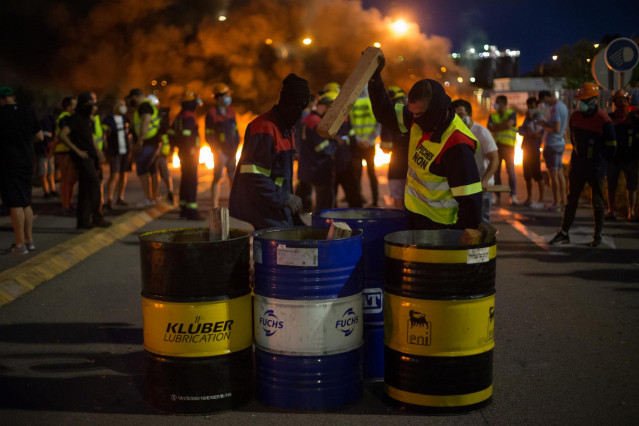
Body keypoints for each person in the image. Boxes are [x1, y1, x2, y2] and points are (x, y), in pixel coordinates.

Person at [368, 55, 482, 230]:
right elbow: (385, 112)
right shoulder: (419, 117)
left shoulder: (456, 143)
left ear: (435, 109)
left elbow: (470, 197)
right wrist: (375, 78)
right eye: (412, 113)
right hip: (415, 216)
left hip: (441, 226)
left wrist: (464, 233)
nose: (413, 119)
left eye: (418, 114)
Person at [229, 73, 309, 230]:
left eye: (302, 108)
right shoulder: (264, 128)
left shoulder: (286, 127)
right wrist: (285, 198)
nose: (299, 112)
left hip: (274, 204)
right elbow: (253, 175)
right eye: (296, 107)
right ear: (286, 103)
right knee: (276, 249)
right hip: (260, 207)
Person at [549, 82, 616, 247]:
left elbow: (612, 148)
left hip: (596, 167)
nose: (581, 103)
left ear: (594, 100)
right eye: (580, 100)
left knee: (598, 202)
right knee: (571, 200)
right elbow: (574, 140)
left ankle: (598, 235)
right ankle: (564, 233)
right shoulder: (576, 117)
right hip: (578, 166)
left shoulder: (604, 120)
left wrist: (599, 161)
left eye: (585, 100)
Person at [58, 92, 112, 229]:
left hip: (91, 156)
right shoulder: (75, 118)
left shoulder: (88, 119)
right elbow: (62, 135)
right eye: (91, 104)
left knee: (85, 189)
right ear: (84, 104)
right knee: (94, 185)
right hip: (83, 158)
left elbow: (91, 138)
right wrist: (77, 151)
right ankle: (97, 218)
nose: (94, 106)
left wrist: (99, 153)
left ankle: (83, 221)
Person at [0, 86, 43, 254]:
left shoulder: (1, 113)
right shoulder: (28, 110)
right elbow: (40, 136)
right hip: (27, 160)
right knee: (26, 202)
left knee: (15, 203)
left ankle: (19, 245)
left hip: (9, 163)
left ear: (2, 99)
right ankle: (29, 240)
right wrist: (25, 140)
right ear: (13, 97)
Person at [452, 99, 499, 222]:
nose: (458, 118)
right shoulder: (453, 133)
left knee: (482, 222)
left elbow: (494, 159)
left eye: (461, 115)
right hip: (461, 187)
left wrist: (484, 180)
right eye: (455, 115)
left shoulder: (482, 132)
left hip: (481, 187)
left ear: (470, 115)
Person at [298, 90, 341, 211]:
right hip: (320, 169)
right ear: (325, 107)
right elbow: (324, 148)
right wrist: (336, 142)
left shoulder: (307, 119)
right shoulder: (318, 122)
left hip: (307, 167)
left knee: (308, 205)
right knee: (324, 206)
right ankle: (322, 227)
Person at [205, 83, 241, 207]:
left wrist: (237, 145)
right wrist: (217, 150)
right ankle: (214, 205)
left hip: (232, 150)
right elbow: (208, 135)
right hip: (220, 151)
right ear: (219, 97)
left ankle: (234, 203)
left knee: (232, 178)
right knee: (217, 177)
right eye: (226, 95)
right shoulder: (212, 113)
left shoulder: (231, 111)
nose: (228, 97)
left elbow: (236, 131)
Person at [606, 90, 639, 221]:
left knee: (632, 186)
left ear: (628, 103)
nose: (621, 104)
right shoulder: (609, 119)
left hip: (630, 159)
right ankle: (611, 211)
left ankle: (631, 212)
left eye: (623, 101)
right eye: (618, 102)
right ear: (614, 104)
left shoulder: (634, 120)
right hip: (613, 159)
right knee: (611, 185)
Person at [169, 92, 202, 220]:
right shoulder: (189, 116)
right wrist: (191, 149)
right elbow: (187, 135)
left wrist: (177, 146)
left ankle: (183, 208)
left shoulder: (179, 116)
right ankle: (191, 211)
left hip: (183, 152)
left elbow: (172, 133)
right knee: (191, 180)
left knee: (185, 179)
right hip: (190, 153)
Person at [538, 89, 569, 212]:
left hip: (553, 144)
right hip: (559, 143)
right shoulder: (562, 106)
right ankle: (563, 201)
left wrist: (543, 124)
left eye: (543, 101)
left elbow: (556, 128)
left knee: (554, 175)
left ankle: (556, 203)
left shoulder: (556, 109)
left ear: (547, 97)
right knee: (560, 174)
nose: (544, 104)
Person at [130, 89, 161, 207]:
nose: (131, 101)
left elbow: (145, 124)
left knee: (142, 170)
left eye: (132, 98)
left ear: (137, 97)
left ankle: (148, 198)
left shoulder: (144, 106)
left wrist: (139, 141)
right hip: (153, 142)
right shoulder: (148, 105)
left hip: (147, 143)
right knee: (152, 170)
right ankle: (154, 196)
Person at [380, 85, 410, 209]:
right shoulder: (414, 116)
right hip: (413, 166)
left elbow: (386, 147)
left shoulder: (389, 119)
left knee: (398, 198)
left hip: (397, 166)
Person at [349, 87, 380, 207]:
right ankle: (375, 201)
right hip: (370, 145)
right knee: (372, 173)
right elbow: (378, 124)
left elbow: (351, 125)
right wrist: (369, 140)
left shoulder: (353, 104)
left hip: (357, 145)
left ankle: (358, 201)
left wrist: (357, 140)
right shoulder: (372, 103)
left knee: (357, 174)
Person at [487, 95, 518, 205]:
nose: (496, 105)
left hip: (508, 147)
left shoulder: (511, 113)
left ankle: (513, 196)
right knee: (496, 172)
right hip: (496, 147)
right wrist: (503, 126)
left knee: (511, 171)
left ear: (503, 103)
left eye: (498, 102)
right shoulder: (493, 115)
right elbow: (490, 127)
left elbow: (508, 125)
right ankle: (497, 196)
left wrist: (497, 127)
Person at [102, 98, 131, 209]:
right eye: (121, 104)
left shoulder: (125, 118)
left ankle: (120, 198)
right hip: (114, 151)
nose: (123, 106)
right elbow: (104, 136)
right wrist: (106, 150)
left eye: (124, 104)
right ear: (115, 106)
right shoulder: (108, 119)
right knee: (114, 174)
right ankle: (109, 199)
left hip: (125, 151)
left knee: (124, 174)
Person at [518, 97, 546, 207]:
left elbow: (536, 133)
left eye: (532, 107)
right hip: (526, 149)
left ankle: (542, 198)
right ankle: (529, 198)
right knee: (527, 175)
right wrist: (527, 130)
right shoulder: (527, 118)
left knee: (537, 174)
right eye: (529, 107)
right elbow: (520, 131)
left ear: (537, 106)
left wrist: (527, 130)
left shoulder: (540, 118)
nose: (530, 109)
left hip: (534, 149)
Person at [53, 96, 78, 216]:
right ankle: (66, 206)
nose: (76, 107)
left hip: (66, 151)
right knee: (67, 180)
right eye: (74, 105)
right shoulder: (65, 117)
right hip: (64, 152)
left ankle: (68, 204)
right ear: (68, 107)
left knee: (70, 180)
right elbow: (63, 136)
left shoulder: (66, 117)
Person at [37, 110, 58, 199]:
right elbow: (45, 139)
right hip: (43, 151)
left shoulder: (52, 123)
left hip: (49, 150)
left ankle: (52, 190)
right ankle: (46, 191)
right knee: (44, 172)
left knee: (50, 171)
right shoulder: (47, 122)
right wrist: (47, 150)